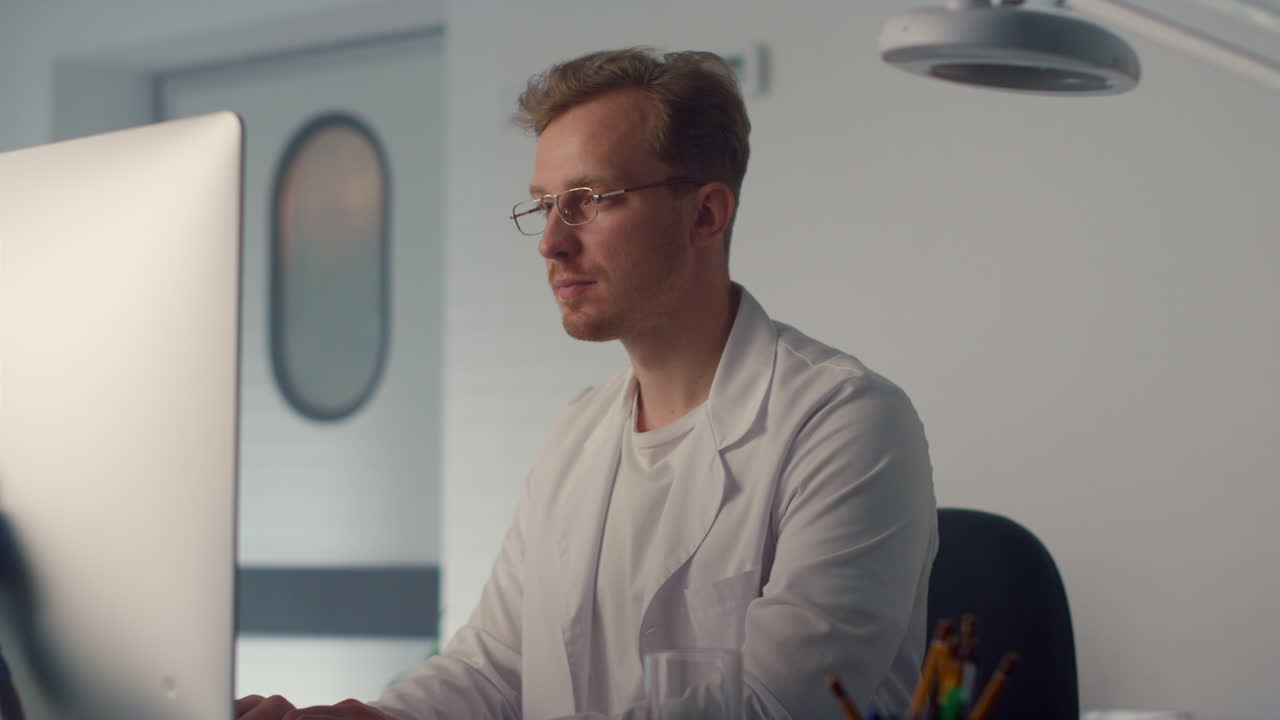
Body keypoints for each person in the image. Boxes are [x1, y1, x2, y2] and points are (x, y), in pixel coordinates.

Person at [237, 47, 937, 720]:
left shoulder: (848, 422)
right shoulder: (580, 430)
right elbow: (495, 664)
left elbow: (771, 706)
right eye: (544, 205)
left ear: (706, 213)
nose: (551, 241)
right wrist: (364, 719)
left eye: (589, 199)